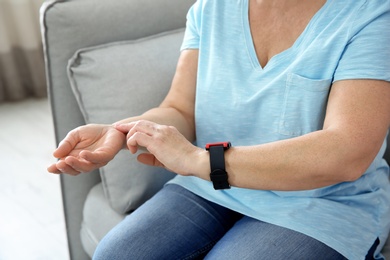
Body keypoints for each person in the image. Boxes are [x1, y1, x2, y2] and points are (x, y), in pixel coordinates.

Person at [48, 0, 390, 259]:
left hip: (321, 203)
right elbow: (180, 109)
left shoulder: (371, 15)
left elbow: (347, 152)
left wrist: (199, 160)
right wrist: (124, 131)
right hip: (210, 188)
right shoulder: (212, 7)